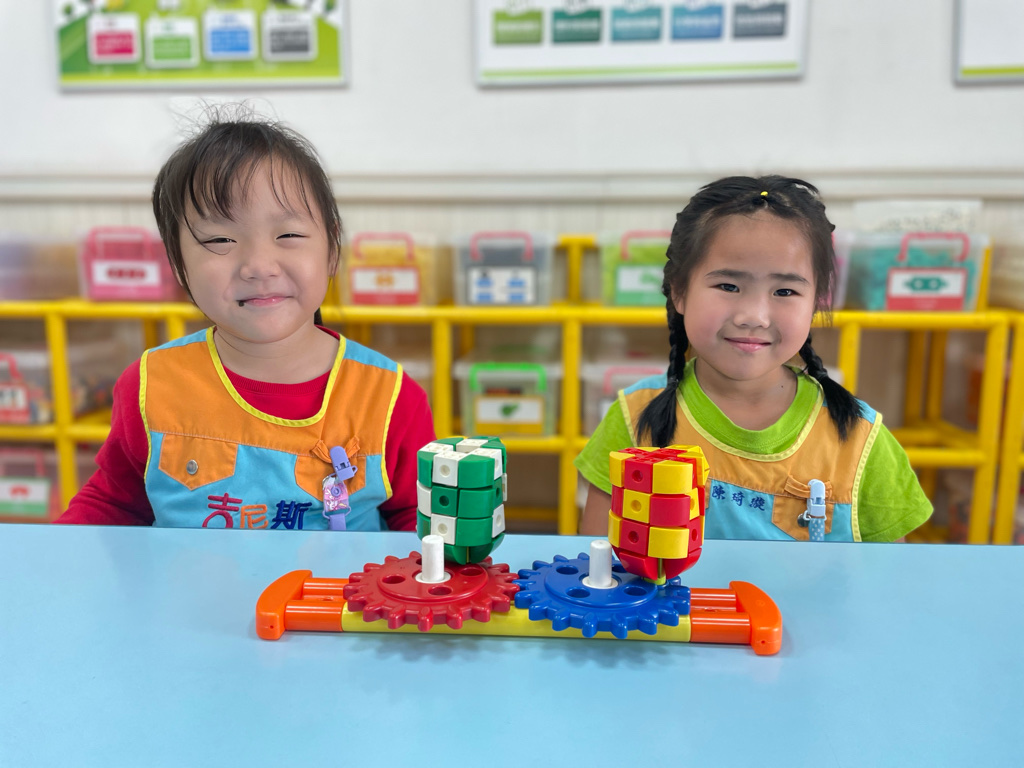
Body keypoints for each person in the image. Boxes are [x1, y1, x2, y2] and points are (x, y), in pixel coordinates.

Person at [59, 113, 436, 531]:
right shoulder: (151, 386)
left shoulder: (390, 396)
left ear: (332, 249)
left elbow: (417, 519)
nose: (258, 265)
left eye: (288, 235)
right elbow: (114, 503)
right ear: (178, 264)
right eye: (220, 239)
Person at [576, 175, 931, 541]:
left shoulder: (861, 439)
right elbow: (601, 561)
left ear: (815, 302)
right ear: (679, 291)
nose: (754, 316)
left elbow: (891, 572)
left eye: (785, 291)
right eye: (728, 286)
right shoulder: (635, 417)